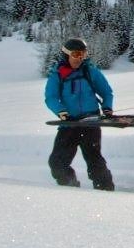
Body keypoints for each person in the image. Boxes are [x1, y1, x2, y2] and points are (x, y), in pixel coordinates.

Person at [44, 37, 116, 190]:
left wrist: (107, 107)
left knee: (94, 159)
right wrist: (61, 112)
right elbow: (51, 97)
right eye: (76, 54)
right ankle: (70, 187)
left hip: (91, 122)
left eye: (83, 54)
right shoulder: (58, 74)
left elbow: (107, 92)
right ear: (66, 54)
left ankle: (106, 190)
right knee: (57, 162)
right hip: (69, 123)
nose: (80, 58)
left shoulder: (90, 71)